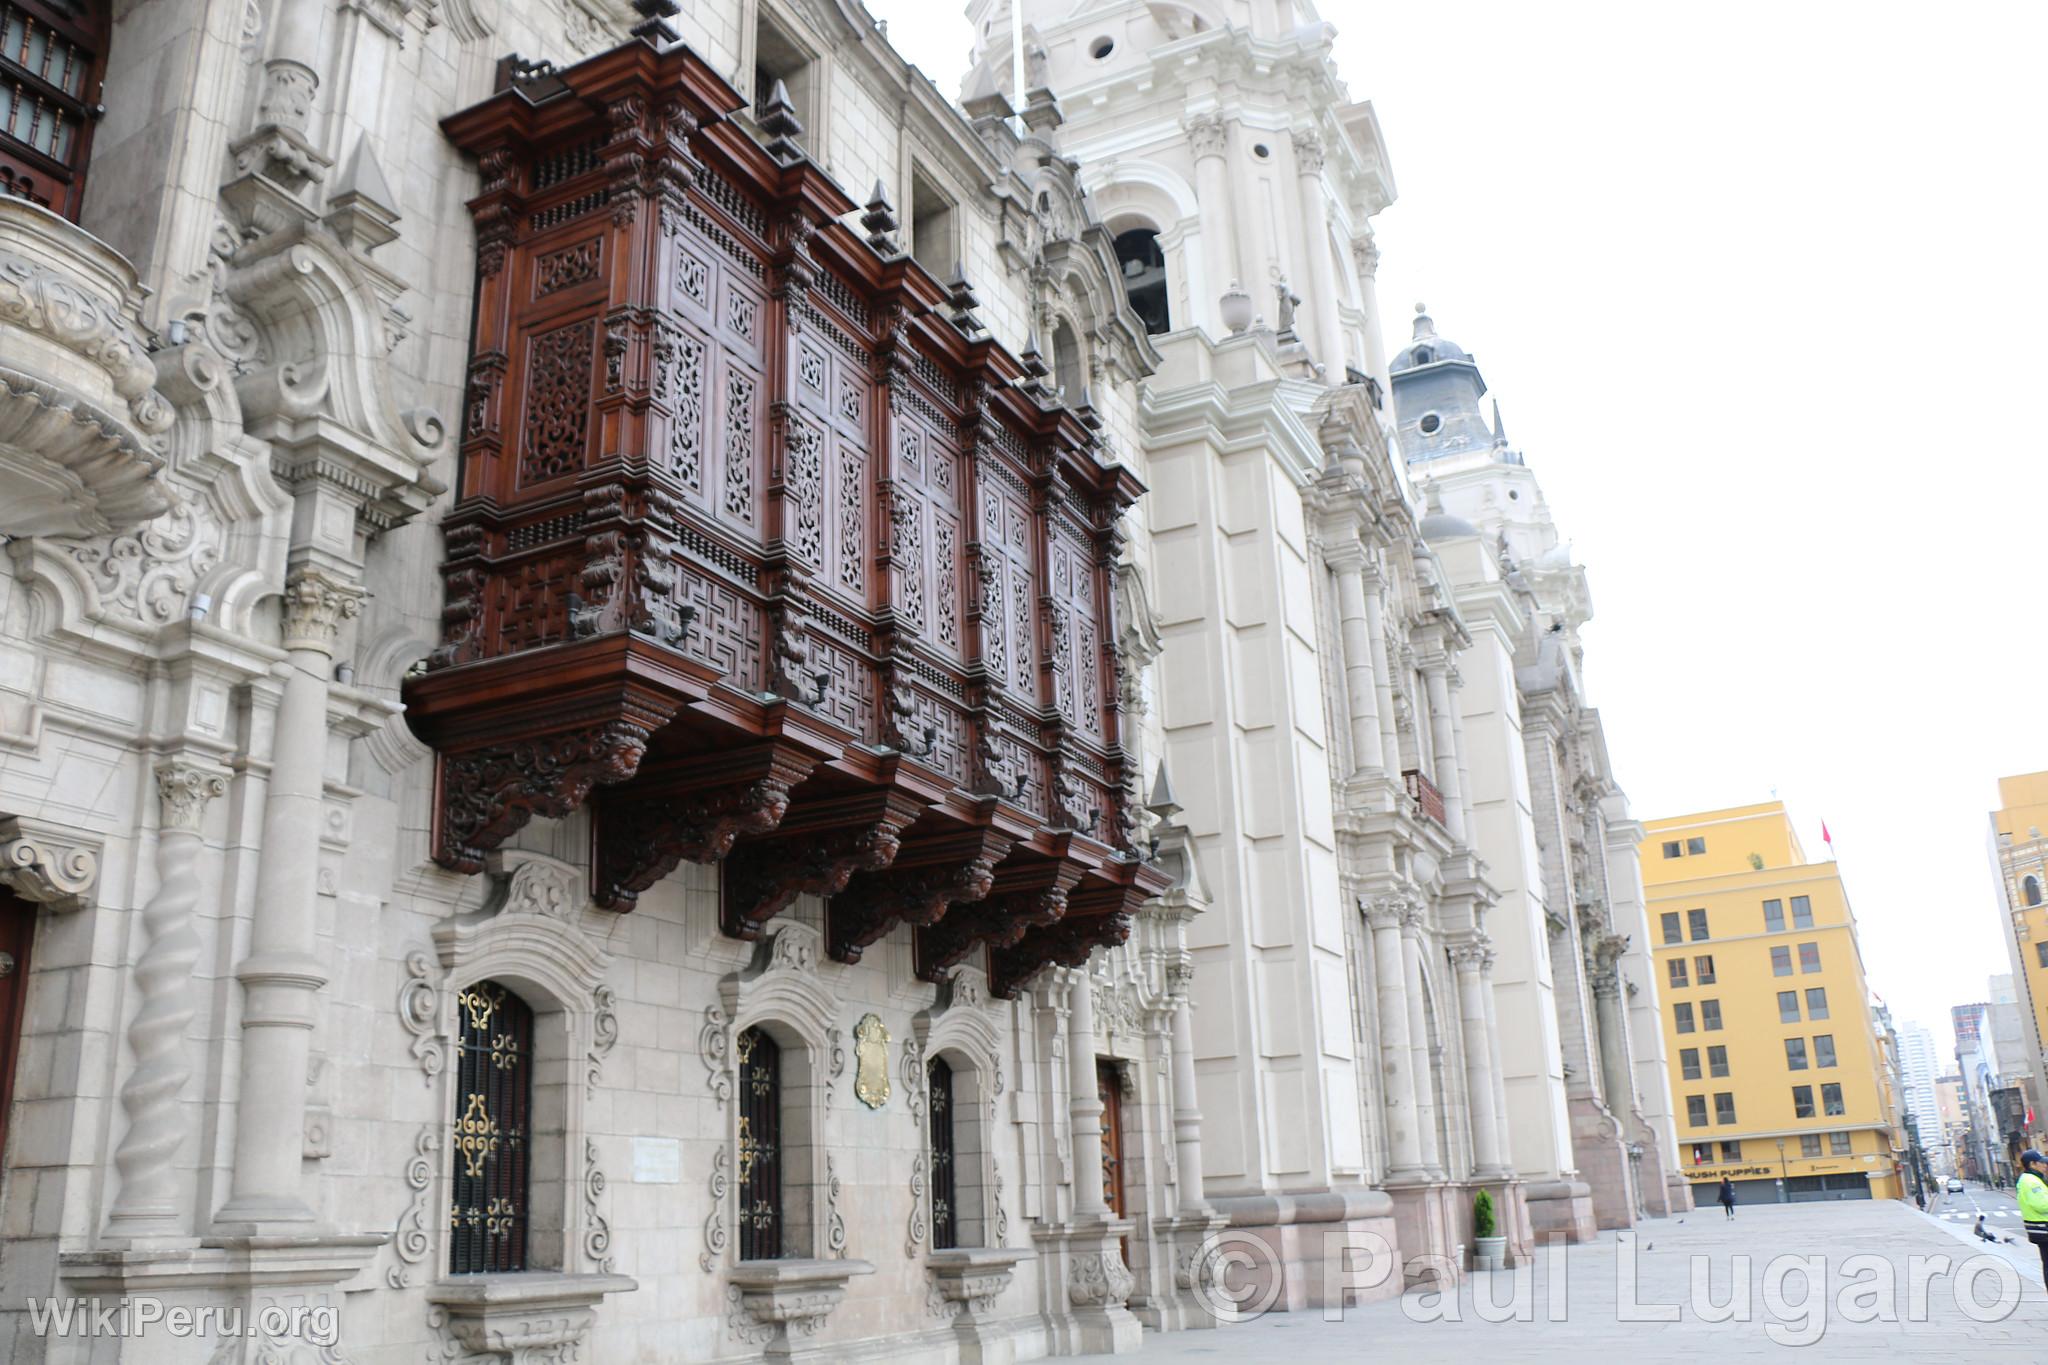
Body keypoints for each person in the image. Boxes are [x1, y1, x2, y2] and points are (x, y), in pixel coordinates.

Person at [2017, 1148, 2048, 1286]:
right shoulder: (2031, 1181)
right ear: (2032, 1164)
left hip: (2040, 1228)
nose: (2045, 1165)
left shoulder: (2031, 1179)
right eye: (2041, 1162)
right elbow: (2041, 1205)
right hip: (2042, 1228)